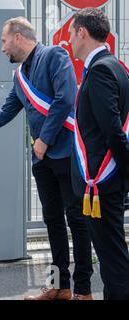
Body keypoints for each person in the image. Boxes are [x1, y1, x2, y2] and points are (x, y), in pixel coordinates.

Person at [0, 17, 93, 300]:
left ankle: (84, 291)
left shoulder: (55, 55)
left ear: (18, 37)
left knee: (76, 221)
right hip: (42, 161)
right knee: (52, 222)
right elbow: (4, 114)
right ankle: (59, 286)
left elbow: (66, 99)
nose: (2, 48)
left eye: (4, 41)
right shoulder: (20, 76)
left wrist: (43, 140)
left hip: (65, 154)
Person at [68, 8, 129, 300]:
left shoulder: (103, 70)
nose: (68, 40)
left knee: (112, 259)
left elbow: (112, 131)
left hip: (101, 182)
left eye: (70, 33)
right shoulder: (115, 66)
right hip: (105, 183)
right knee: (111, 256)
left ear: (82, 32)